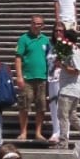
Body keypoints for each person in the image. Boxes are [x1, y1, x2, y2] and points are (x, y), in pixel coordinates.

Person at [14, 14, 51, 143]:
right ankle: (23, 132)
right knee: (24, 105)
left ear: (43, 26)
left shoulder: (46, 40)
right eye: (34, 23)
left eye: (39, 24)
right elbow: (18, 58)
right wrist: (19, 76)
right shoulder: (24, 39)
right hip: (27, 77)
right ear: (31, 24)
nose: (36, 26)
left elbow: (50, 58)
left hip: (42, 78)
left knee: (41, 106)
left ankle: (38, 132)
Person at [55, 29, 80, 150]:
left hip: (69, 89)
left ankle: (63, 142)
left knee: (63, 116)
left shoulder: (74, 52)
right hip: (71, 89)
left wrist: (62, 65)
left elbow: (76, 71)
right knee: (72, 116)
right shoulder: (72, 51)